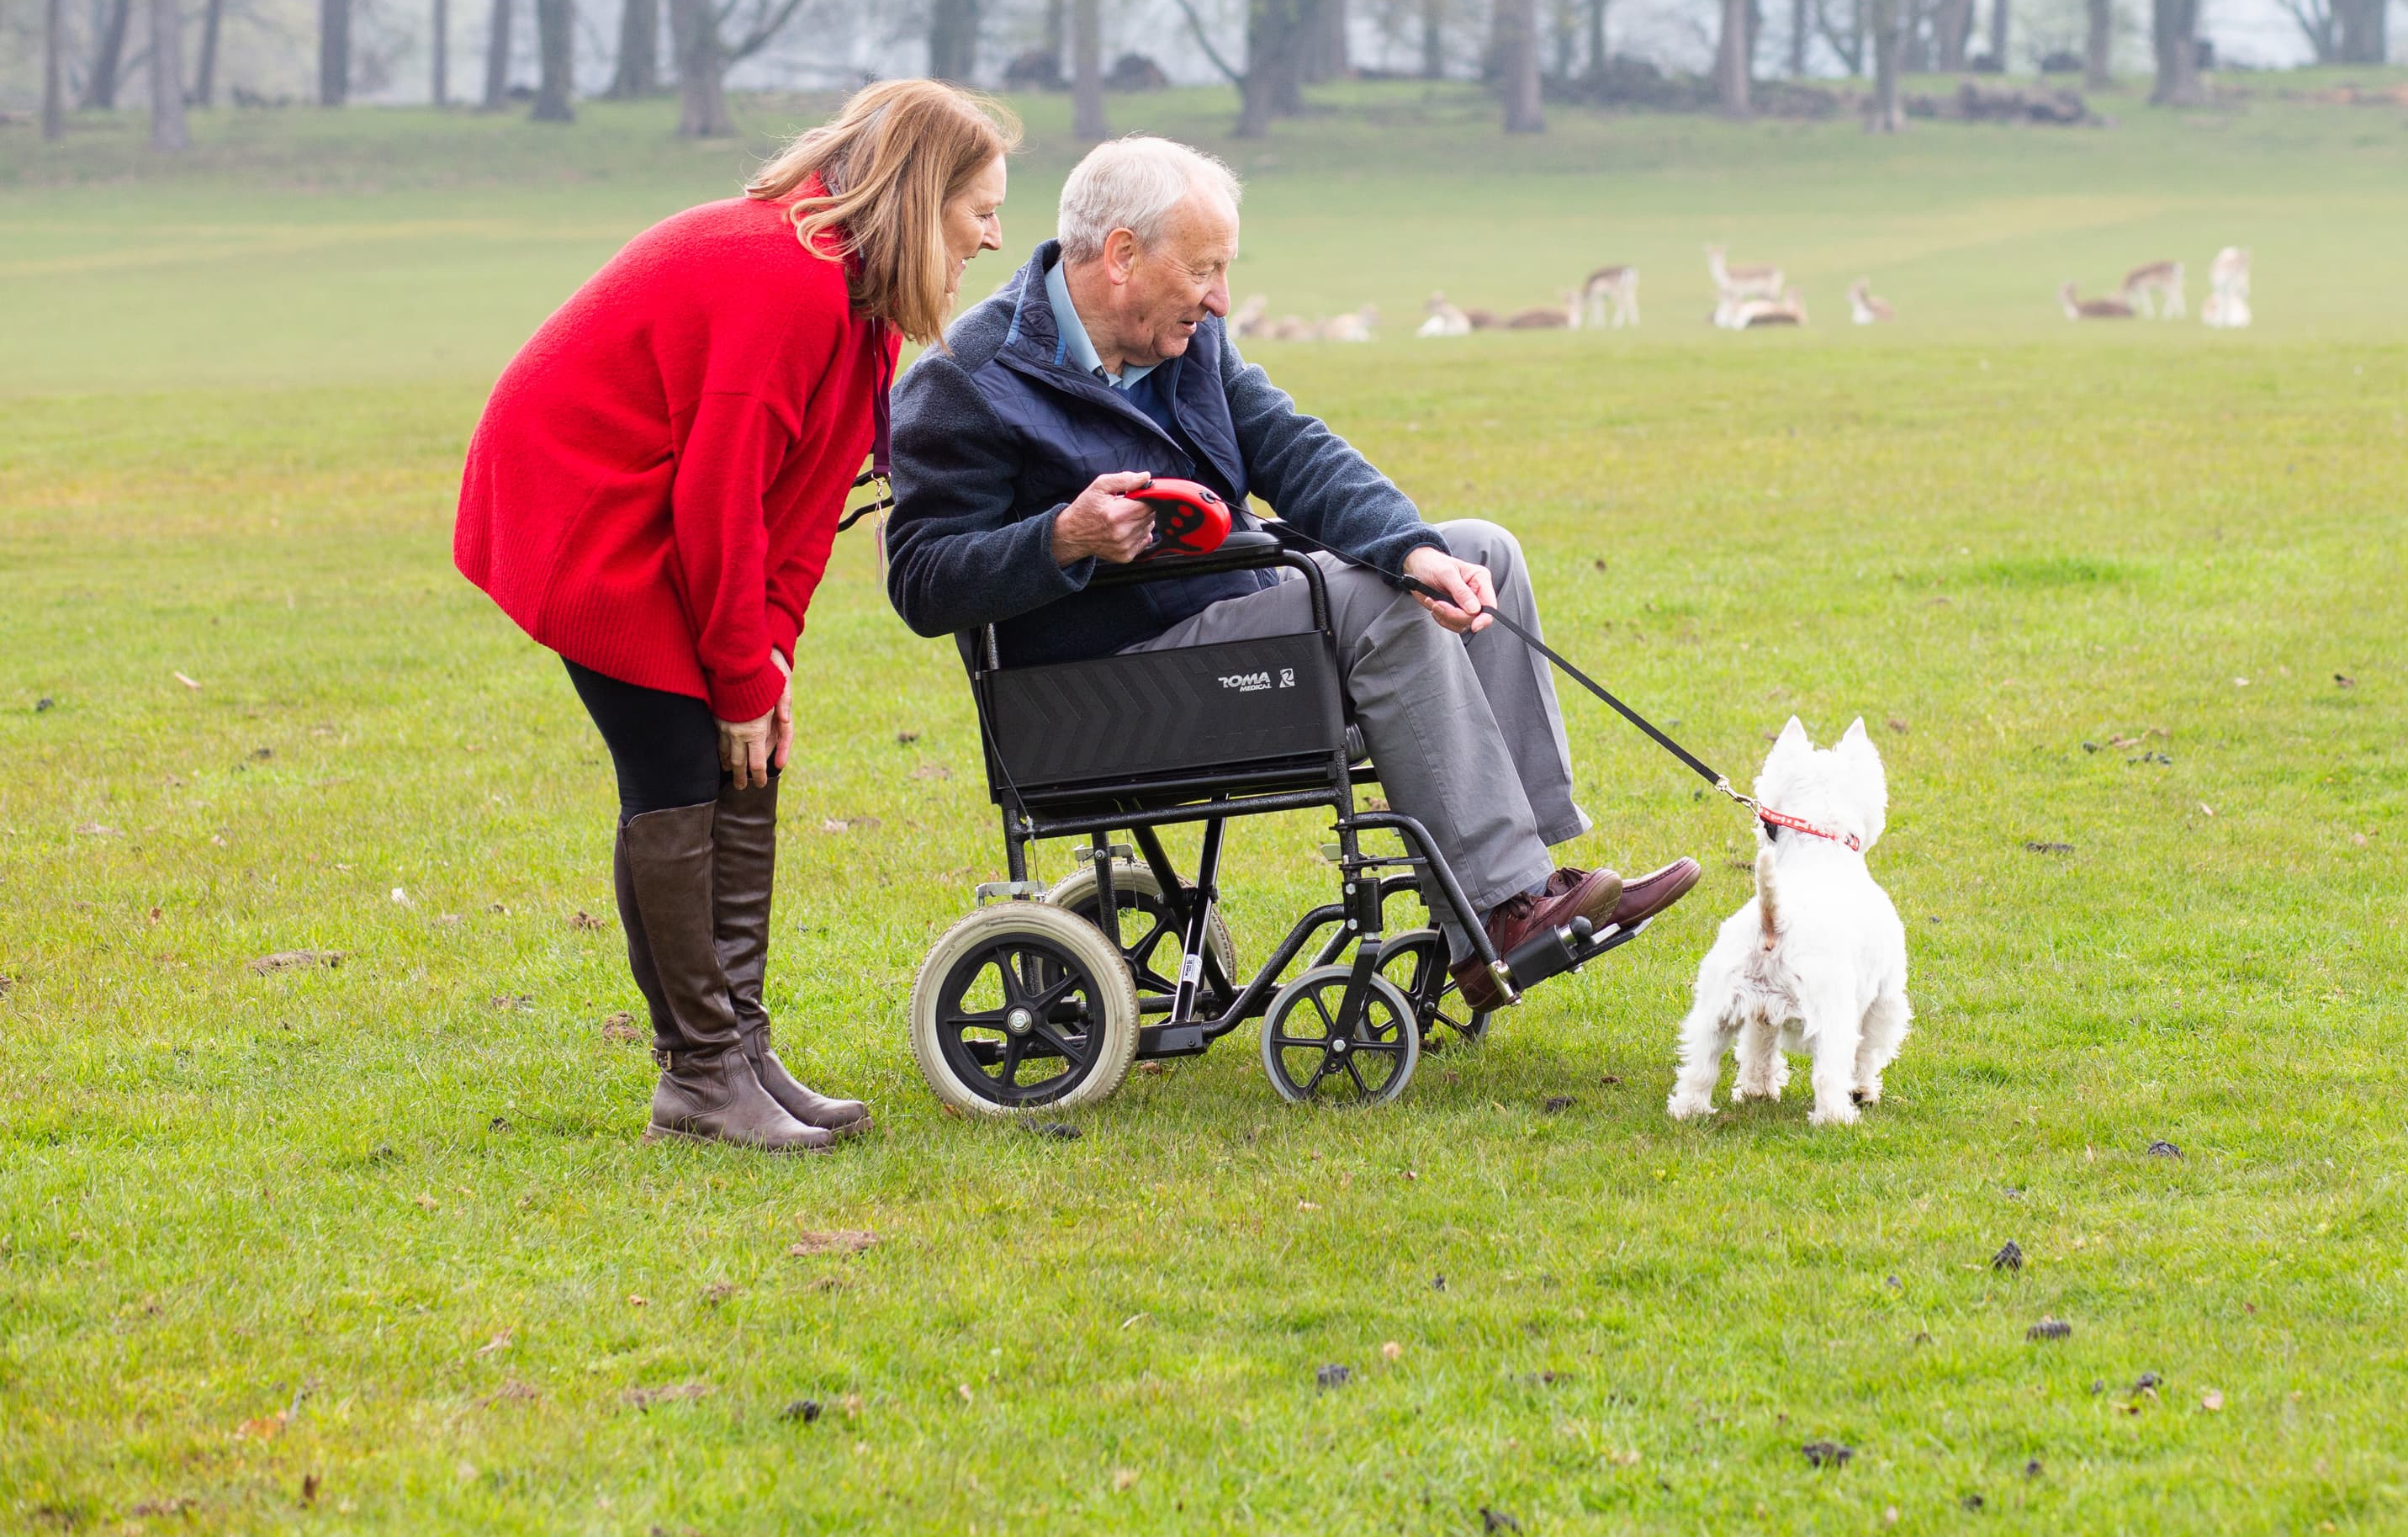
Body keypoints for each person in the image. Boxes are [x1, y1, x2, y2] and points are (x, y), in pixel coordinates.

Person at [882, 136, 1696, 1013]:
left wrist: (1416, 550)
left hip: (1231, 628)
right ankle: (1502, 908)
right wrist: (1064, 538)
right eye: (1205, 269)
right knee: (1363, 597)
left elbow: (1297, 451)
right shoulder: (968, 378)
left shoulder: (1190, 340)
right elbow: (924, 580)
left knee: (1478, 550)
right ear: (1121, 255)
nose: (1221, 297)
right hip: (1113, 682)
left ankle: (1528, 887)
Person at [457, 79, 1022, 1150]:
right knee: (676, 763)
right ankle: (703, 1076)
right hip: (584, 503)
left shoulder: (865, 317)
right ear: (918, 195)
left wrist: (767, 665)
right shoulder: (785, 283)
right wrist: (734, 684)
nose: (995, 236)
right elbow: (718, 504)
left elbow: (798, 518)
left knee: (743, 756)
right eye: (980, 209)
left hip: (666, 507)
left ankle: (739, 1049)